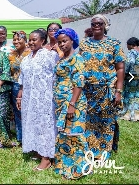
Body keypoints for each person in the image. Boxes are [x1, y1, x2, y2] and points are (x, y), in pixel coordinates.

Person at [79, 14, 126, 160]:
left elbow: (120, 69)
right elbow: (79, 64)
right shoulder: (84, 43)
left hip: (107, 89)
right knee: (89, 120)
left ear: (105, 25)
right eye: (93, 24)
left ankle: (103, 152)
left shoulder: (114, 44)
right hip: (88, 90)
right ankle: (91, 149)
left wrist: (118, 91)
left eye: (99, 23)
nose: (96, 26)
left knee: (106, 120)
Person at [16, 29, 58, 171]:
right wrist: (20, 95)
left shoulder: (50, 55)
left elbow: (57, 74)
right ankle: (38, 150)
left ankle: (47, 158)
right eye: (30, 39)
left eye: (35, 40)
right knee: (32, 123)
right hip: (29, 98)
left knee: (45, 125)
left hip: (44, 98)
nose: (31, 42)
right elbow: (22, 79)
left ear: (42, 41)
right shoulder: (27, 58)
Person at [53, 28, 89, 180]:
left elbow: (79, 83)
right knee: (65, 134)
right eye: (59, 42)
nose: (61, 44)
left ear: (73, 40)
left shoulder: (77, 59)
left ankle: (78, 168)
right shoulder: (62, 58)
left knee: (75, 134)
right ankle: (64, 165)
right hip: (62, 102)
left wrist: (72, 104)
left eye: (64, 41)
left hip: (73, 102)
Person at [8, 30, 30, 144]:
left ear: (25, 40)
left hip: (28, 86)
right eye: (14, 39)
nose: (16, 41)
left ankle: (29, 138)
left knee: (28, 112)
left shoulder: (31, 53)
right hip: (15, 86)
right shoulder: (12, 54)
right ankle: (20, 138)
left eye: (19, 39)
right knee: (18, 111)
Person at [120, 37, 139, 121]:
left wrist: (125, 72)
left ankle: (128, 113)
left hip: (131, 77)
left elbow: (130, 62)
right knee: (136, 95)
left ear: (131, 45)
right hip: (137, 76)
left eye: (127, 45)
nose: (127, 47)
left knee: (129, 94)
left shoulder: (132, 52)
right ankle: (135, 113)